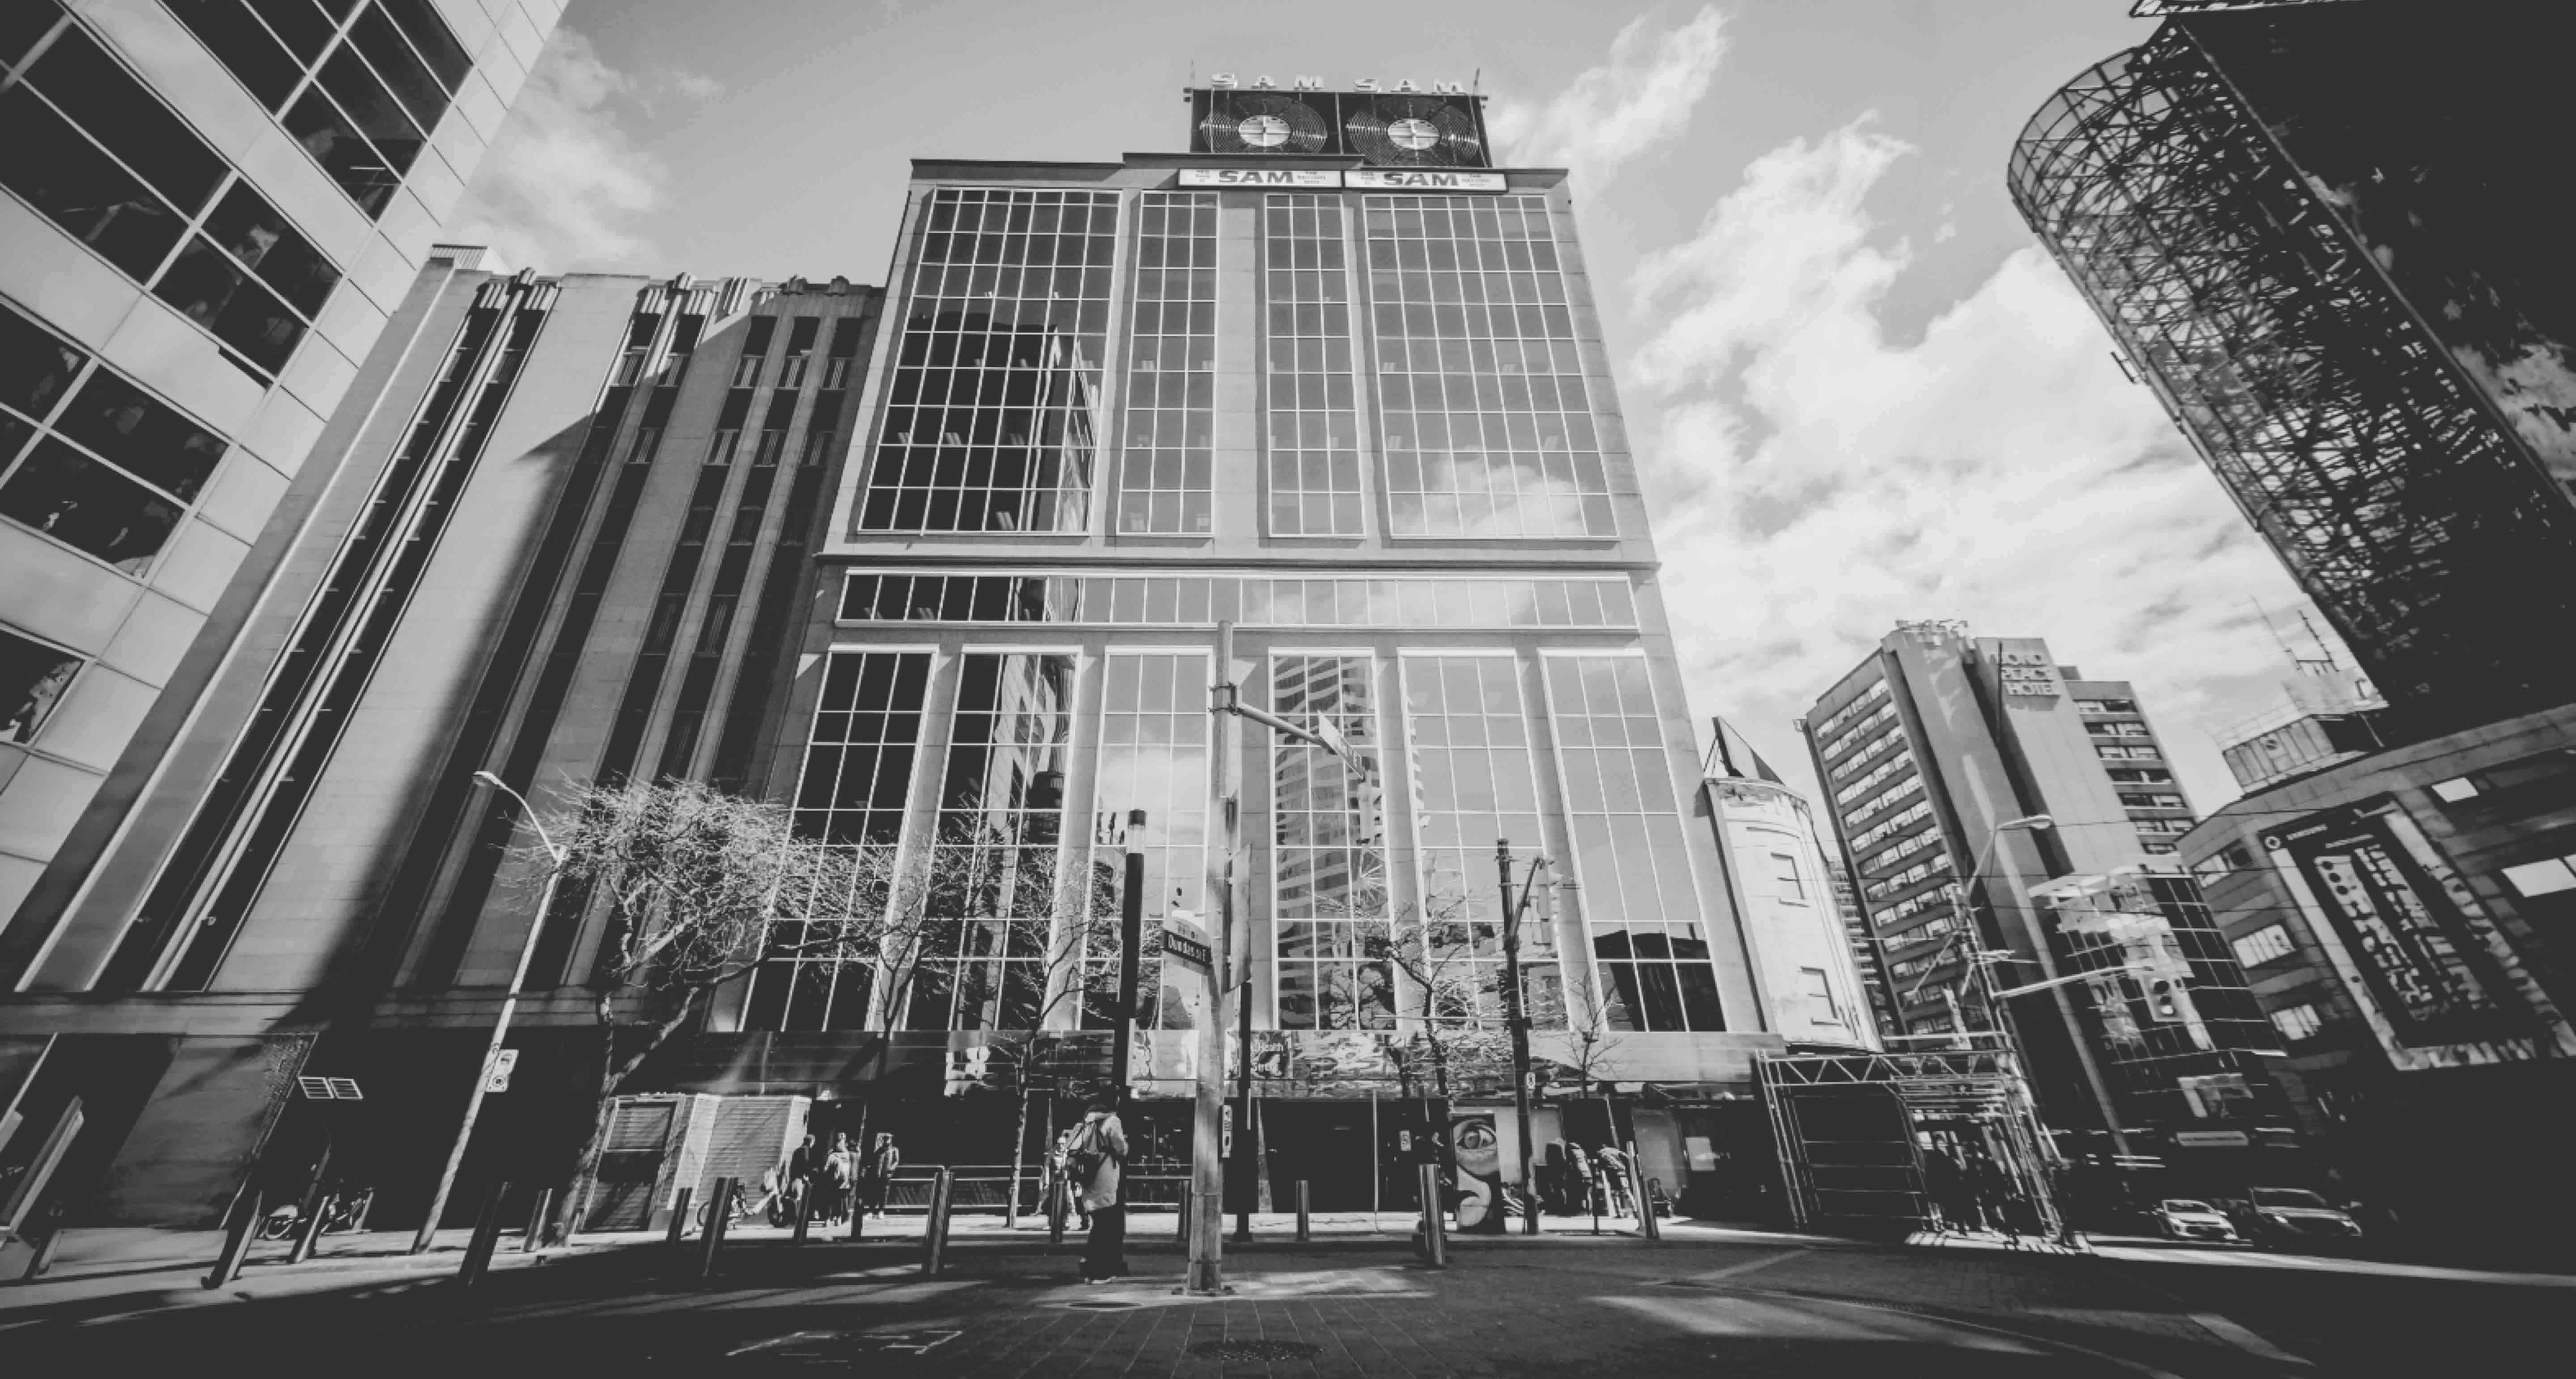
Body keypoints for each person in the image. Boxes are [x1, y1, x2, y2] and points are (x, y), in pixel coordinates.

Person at [1070, 1094, 1127, 1283]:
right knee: (1105, 1226)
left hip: (1089, 1177)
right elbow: (1120, 1147)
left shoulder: (1086, 1123)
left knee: (1099, 1223)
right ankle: (1097, 1270)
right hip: (1105, 1175)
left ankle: (1089, 1264)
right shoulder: (1113, 1121)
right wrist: (1125, 1147)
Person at [862, 1131, 901, 1219]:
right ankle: (871, 1211)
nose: (887, 1141)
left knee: (884, 1193)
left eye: (889, 1139)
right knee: (874, 1193)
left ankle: (881, 1211)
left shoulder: (894, 1150)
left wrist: (891, 1169)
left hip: (886, 1175)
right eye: (885, 1139)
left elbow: (896, 1161)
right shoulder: (879, 1150)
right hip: (876, 1175)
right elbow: (873, 1161)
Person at [823, 1133, 858, 1225]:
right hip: (844, 1182)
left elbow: (825, 1169)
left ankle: (828, 1220)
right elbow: (852, 1168)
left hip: (832, 1182)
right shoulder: (849, 1154)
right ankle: (838, 1219)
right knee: (840, 1201)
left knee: (830, 1201)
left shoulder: (832, 1155)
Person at [787, 1133, 818, 1225]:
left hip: (794, 1177)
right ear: (811, 1142)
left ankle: (794, 1217)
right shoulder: (806, 1150)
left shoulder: (797, 1150)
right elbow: (805, 1163)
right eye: (813, 1142)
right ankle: (797, 1219)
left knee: (795, 1198)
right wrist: (806, 1175)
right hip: (800, 1178)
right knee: (798, 1199)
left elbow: (793, 1165)